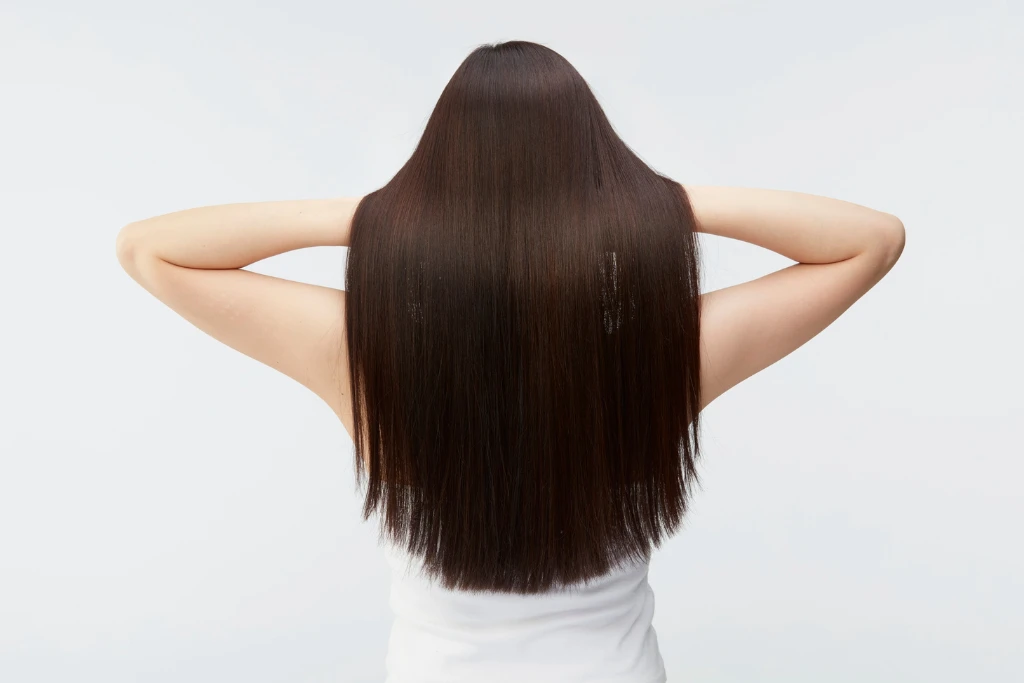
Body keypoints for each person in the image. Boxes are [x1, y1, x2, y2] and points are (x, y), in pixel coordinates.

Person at [115, 40, 905, 683]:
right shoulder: (660, 359)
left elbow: (150, 250)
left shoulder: (360, 355)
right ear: (597, 189)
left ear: (434, 194)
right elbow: (870, 240)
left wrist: (379, 217)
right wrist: (656, 204)